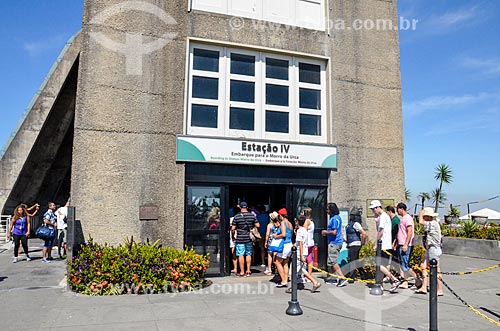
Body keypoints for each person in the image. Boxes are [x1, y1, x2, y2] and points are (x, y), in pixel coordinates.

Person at [369, 200, 402, 292]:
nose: (373, 211)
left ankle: (393, 279)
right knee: (385, 265)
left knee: (379, 265)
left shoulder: (383, 217)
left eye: (373, 209)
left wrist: (376, 244)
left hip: (383, 245)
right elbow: (379, 229)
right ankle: (383, 284)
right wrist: (376, 221)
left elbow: (381, 232)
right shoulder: (384, 217)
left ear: (377, 207)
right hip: (387, 245)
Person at [288, 215, 321, 293]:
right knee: (302, 270)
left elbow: (301, 243)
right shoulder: (304, 230)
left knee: (293, 270)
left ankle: (293, 287)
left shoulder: (300, 231)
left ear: (297, 222)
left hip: (300, 253)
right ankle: (315, 282)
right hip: (305, 252)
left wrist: (301, 255)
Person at [417, 207, 444, 296]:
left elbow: (420, 222)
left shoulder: (433, 223)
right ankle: (424, 286)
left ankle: (440, 289)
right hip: (430, 248)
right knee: (423, 266)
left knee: (436, 268)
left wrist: (421, 212)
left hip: (434, 248)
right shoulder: (433, 223)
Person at [322, 202, 348, 287]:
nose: (326, 210)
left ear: (331, 210)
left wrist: (325, 232)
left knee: (333, 262)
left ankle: (342, 277)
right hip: (335, 242)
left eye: (328, 209)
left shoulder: (334, 219)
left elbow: (334, 232)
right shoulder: (337, 218)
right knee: (330, 261)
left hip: (334, 243)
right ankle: (332, 278)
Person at [231, 202, 259, 277]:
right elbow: (258, 225)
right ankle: (248, 270)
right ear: (247, 207)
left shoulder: (236, 217)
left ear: (240, 207)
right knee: (248, 253)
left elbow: (233, 229)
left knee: (240, 254)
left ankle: (242, 271)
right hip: (248, 238)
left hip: (240, 238)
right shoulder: (252, 216)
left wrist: (233, 236)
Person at [396, 202, 418, 289]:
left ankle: (418, 279)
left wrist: (406, 244)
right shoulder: (403, 218)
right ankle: (405, 282)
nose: (397, 211)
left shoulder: (408, 218)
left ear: (401, 209)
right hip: (401, 244)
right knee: (403, 264)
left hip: (406, 245)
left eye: (398, 209)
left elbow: (410, 232)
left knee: (405, 265)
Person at [344, 207, 367, 282]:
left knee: (352, 260)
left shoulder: (356, 224)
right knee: (355, 260)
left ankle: (351, 277)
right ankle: (363, 274)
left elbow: (363, 233)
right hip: (351, 244)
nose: (350, 216)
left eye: (352, 215)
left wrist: (363, 242)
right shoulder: (350, 224)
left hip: (356, 244)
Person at [273, 208, 293, 288]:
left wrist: (276, 236)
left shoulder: (283, 223)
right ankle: (285, 279)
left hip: (284, 244)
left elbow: (283, 234)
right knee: (285, 263)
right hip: (289, 244)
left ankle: (283, 280)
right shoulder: (289, 223)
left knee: (277, 262)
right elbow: (290, 235)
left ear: (281, 215)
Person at [301, 207, 315, 278]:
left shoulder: (306, 221)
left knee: (303, 258)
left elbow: (304, 232)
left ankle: (304, 274)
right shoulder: (311, 221)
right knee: (309, 258)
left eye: (302, 212)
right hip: (311, 242)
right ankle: (309, 274)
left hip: (306, 243)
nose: (301, 214)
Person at [264, 211, 279, 276]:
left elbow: (267, 234)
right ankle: (276, 268)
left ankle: (269, 269)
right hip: (277, 240)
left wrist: (266, 241)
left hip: (271, 240)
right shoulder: (278, 224)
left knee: (270, 255)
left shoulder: (269, 225)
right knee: (275, 254)